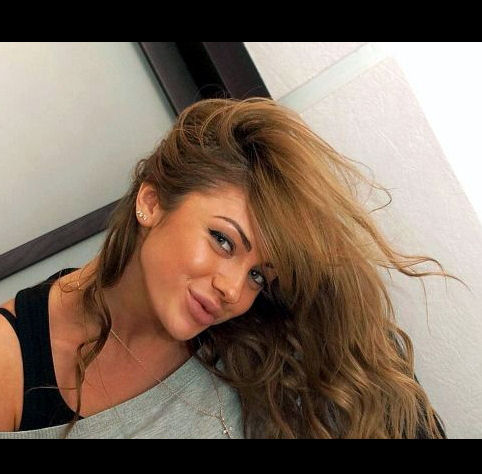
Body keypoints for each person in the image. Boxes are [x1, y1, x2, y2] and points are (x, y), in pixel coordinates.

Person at [0, 97, 467, 439]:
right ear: (152, 201)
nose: (232, 290)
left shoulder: (261, 328)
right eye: (222, 240)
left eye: (258, 275)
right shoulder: (12, 364)